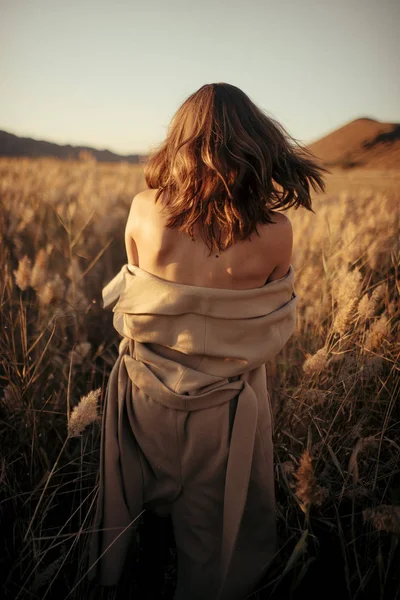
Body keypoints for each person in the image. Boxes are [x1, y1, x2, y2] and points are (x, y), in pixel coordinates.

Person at [87, 82, 328, 600]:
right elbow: (269, 318)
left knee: (138, 528)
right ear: (256, 142)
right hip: (224, 412)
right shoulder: (276, 232)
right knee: (209, 545)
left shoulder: (144, 208)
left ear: (182, 139)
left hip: (143, 395)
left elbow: (133, 285)